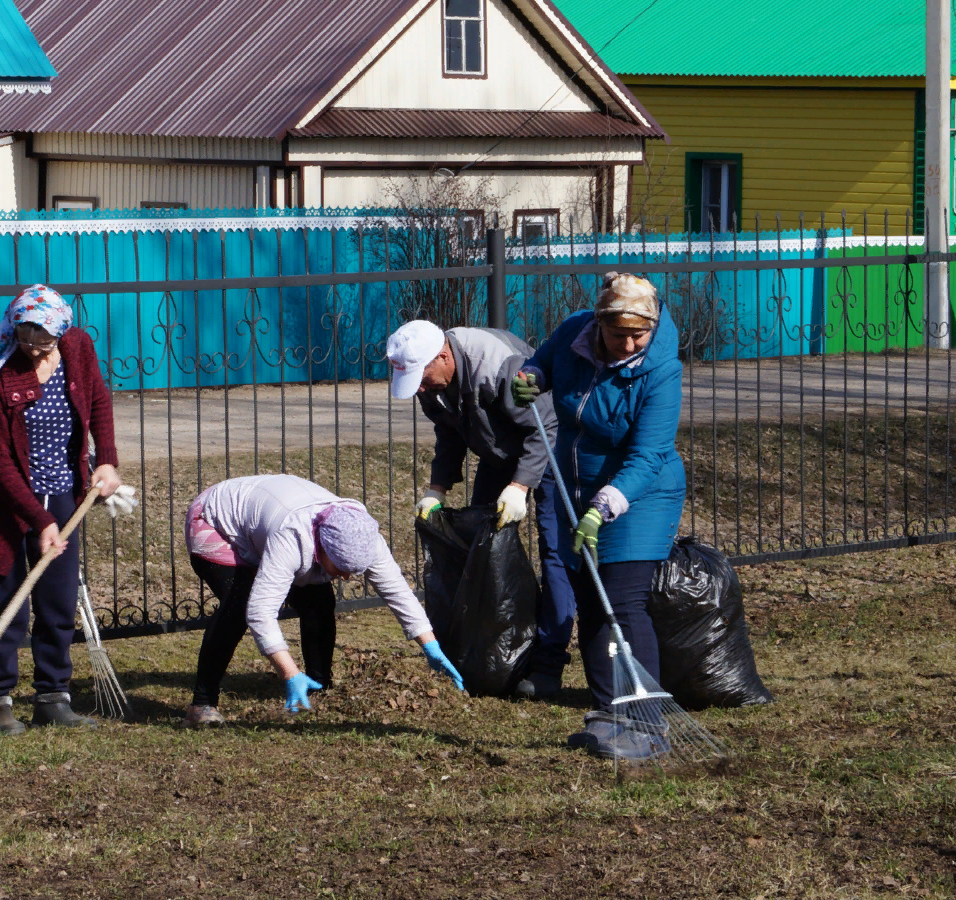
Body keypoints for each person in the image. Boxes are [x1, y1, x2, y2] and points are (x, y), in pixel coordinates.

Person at [511, 273, 685, 761]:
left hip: (640, 494)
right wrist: (530, 380)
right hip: (576, 485)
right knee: (591, 599)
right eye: (618, 334)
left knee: (623, 601)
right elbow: (539, 365)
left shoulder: (660, 370)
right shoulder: (573, 332)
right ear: (598, 323)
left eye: (639, 335)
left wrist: (603, 506)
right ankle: (611, 717)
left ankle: (648, 726)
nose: (628, 344)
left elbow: (649, 456)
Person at [0, 285, 131, 735]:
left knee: (57, 602)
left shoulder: (76, 347)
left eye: (45, 340)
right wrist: (41, 522)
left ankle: (53, 698)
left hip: (62, 492)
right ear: (14, 329)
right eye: (27, 338)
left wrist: (106, 459)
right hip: (2, 501)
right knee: (7, 604)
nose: (36, 349)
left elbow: (97, 400)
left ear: (62, 331)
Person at [385, 319, 575, 699]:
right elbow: (448, 431)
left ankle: (548, 663)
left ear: (442, 356)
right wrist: (435, 489)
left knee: (556, 551)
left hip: (549, 449)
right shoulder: (430, 380)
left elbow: (546, 427)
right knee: (481, 547)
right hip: (498, 450)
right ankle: (489, 653)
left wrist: (520, 487)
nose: (419, 389)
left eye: (422, 379)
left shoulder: (498, 368)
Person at [181, 474, 464, 726]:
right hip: (217, 521)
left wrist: (431, 647)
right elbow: (260, 612)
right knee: (238, 607)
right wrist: (288, 673)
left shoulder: (364, 536)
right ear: (323, 548)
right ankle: (202, 703)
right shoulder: (293, 539)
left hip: (266, 518)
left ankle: (319, 687)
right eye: (340, 568)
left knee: (319, 602)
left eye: (353, 572)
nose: (345, 578)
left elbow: (398, 593)